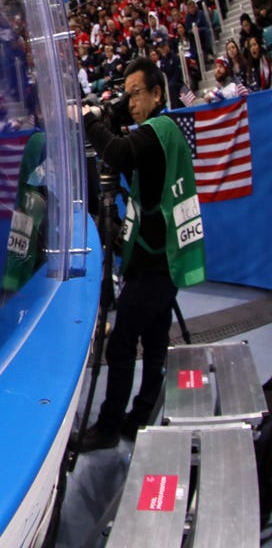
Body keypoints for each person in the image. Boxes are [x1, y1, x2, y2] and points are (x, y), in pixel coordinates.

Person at [74, 57, 205, 451]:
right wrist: (112, 115)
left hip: (155, 263)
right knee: (154, 339)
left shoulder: (156, 131)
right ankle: (141, 414)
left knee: (121, 344)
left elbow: (116, 152)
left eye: (136, 94)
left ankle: (109, 427)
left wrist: (89, 119)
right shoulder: (161, 133)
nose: (130, 103)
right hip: (164, 256)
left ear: (157, 94)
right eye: (126, 95)